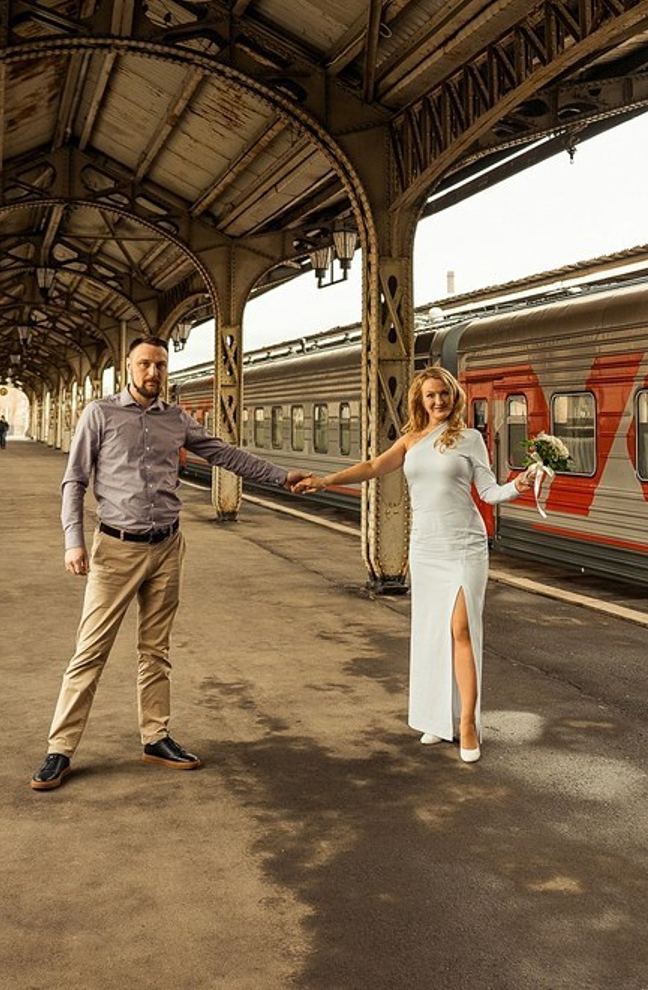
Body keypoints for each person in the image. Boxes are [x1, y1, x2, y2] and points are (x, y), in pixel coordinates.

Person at [30, 335, 312, 791]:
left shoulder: (177, 419)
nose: (153, 373)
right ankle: (59, 749)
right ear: (128, 367)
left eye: (160, 366)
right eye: (145, 364)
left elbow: (226, 455)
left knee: (156, 650)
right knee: (90, 652)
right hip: (115, 549)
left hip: (167, 547)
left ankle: (154, 737)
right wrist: (73, 541)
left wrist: (282, 476)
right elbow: (74, 481)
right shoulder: (99, 415)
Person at [299, 367, 534, 762]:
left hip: (463, 545)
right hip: (425, 547)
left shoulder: (470, 439)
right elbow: (373, 468)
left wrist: (520, 485)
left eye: (444, 393)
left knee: (461, 630)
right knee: (430, 633)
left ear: (453, 396)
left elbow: (490, 492)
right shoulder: (410, 441)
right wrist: (324, 481)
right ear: (420, 401)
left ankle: (467, 724)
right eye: (430, 396)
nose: (438, 401)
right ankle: (436, 719)